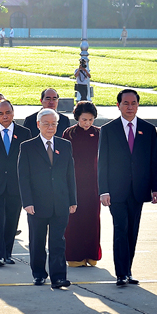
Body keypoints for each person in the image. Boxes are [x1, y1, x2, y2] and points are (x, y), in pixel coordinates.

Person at [98, 89, 157, 287]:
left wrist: (156, 188)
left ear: (138, 105)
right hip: (116, 191)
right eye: (125, 103)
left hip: (139, 190)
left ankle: (128, 270)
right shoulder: (108, 129)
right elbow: (103, 162)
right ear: (118, 106)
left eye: (133, 103)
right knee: (120, 229)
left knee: (132, 231)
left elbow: (154, 161)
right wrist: (103, 190)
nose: (129, 107)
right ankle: (120, 273)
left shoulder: (148, 129)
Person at [17, 108, 77, 288]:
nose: (50, 127)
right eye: (46, 124)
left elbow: (70, 174)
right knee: (37, 241)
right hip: (37, 204)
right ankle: (39, 273)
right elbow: (23, 177)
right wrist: (27, 202)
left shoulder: (65, 145)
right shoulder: (27, 146)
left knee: (58, 241)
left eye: (54, 124)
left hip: (61, 202)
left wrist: (72, 200)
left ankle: (58, 277)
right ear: (38, 125)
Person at [0, 99, 31, 267]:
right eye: (0, 113)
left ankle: (8, 253)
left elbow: (28, 162)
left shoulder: (24, 133)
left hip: (16, 185)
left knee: (11, 220)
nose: (4, 116)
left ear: (13, 113)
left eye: (7, 112)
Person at [62, 101, 101, 266]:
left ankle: (91, 255)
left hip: (94, 183)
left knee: (92, 219)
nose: (87, 123)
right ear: (77, 117)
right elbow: (63, 160)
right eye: (84, 119)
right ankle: (74, 256)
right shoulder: (69, 134)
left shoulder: (100, 133)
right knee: (74, 220)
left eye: (91, 119)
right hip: (74, 182)